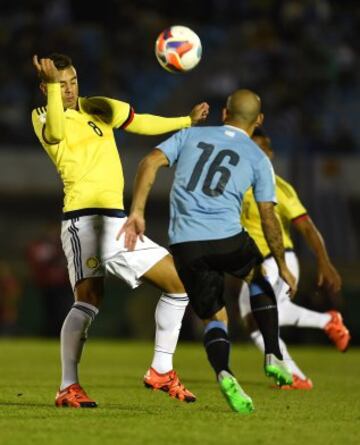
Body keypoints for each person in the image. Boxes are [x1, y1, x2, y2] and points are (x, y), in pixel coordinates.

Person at [31, 53, 209, 408]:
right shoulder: (41, 115)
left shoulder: (97, 107)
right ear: (47, 87)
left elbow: (139, 121)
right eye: (60, 84)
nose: (68, 90)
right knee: (89, 300)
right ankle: (69, 386)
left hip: (115, 219)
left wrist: (185, 121)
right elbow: (55, 132)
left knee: (177, 284)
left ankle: (160, 369)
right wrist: (51, 89)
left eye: (72, 82)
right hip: (83, 219)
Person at [120, 89, 297, 414]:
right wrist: (282, 264)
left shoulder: (189, 135)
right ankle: (273, 353)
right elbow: (268, 216)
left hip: (186, 245)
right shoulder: (259, 157)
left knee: (215, 315)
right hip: (227, 237)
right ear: (259, 121)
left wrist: (138, 212)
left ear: (224, 114)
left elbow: (149, 162)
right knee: (257, 274)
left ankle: (224, 373)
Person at [239, 127, 351, 389]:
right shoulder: (240, 185)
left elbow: (307, 227)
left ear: (269, 154)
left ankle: (296, 369)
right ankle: (296, 372)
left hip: (278, 261)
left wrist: (324, 261)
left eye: (260, 149)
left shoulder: (277, 186)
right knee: (252, 321)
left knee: (262, 315)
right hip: (256, 263)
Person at [26, 222, 73, 337]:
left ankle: (64, 335)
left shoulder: (64, 243)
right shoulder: (42, 245)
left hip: (64, 285)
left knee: (65, 310)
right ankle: (51, 334)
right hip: (48, 286)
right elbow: (36, 259)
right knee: (51, 312)